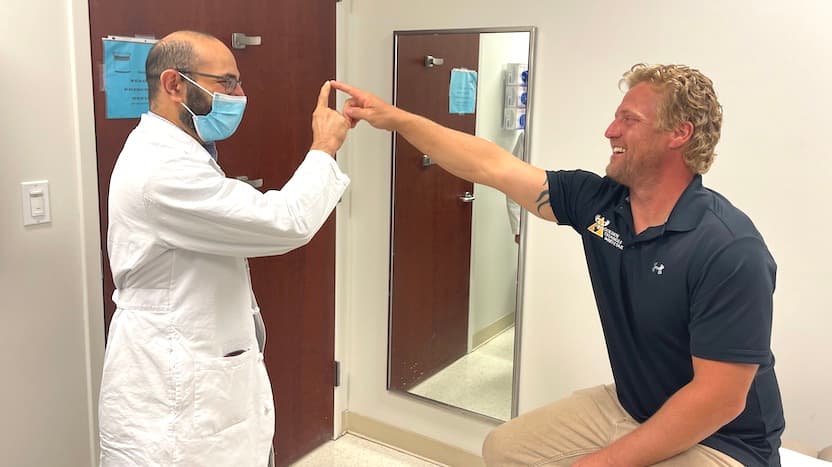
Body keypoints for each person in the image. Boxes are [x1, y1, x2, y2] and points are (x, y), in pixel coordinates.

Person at [331, 63, 784, 466]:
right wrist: (396, 119)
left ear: (678, 134)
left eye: (630, 120)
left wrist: (602, 462)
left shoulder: (728, 247)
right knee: (505, 450)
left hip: (724, 443)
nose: (610, 130)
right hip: (634, 405)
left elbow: (718, 400)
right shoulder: (602, 203)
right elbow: (490, 165)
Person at [99, 30, 351, 466]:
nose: (240, 95)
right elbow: (286, 222)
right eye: (227, 83)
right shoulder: (161, 171)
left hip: (188, 369)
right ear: (174, 84)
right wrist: (324, 147)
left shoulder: (183, 153)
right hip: (171, 392)